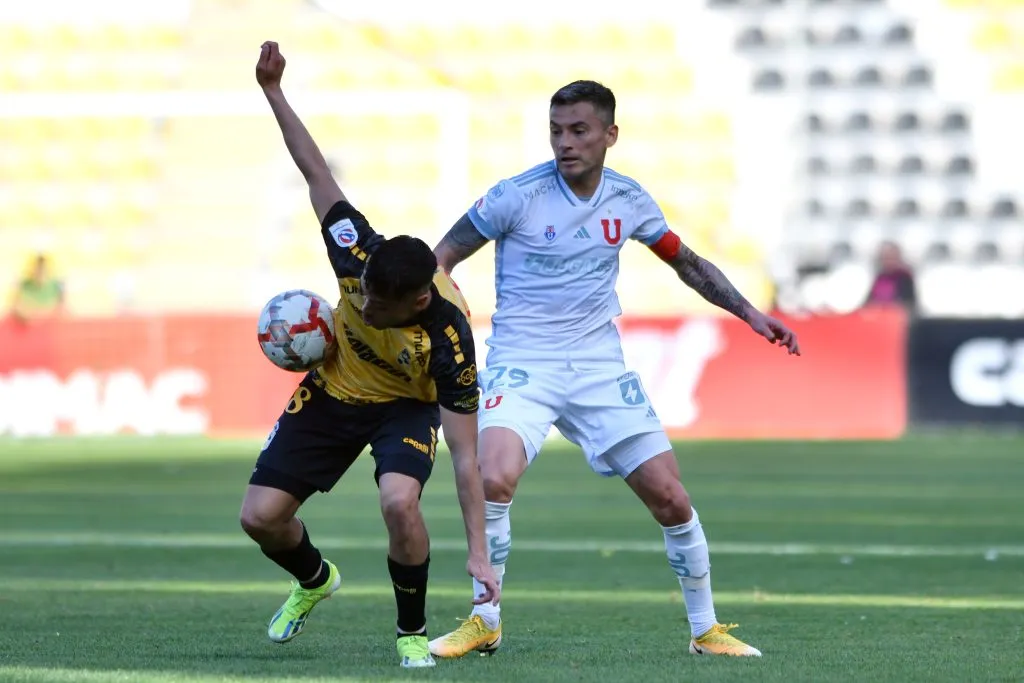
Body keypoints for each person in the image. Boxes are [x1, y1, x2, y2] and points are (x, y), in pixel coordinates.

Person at [427, 80, 800, 659]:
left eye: (579, 131)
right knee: (493, 476)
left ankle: (706, 630)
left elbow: (688, 263)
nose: (565, 143)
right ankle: (485, 617)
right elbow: (439, 259)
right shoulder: (515, 196)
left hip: (599, 366)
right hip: (524, 361)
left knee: (671, 498)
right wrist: (441, 314)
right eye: (556, 131)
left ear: (610, 135)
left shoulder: (628, 200)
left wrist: (751, 313)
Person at [241, 41, 499, 669]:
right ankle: (313, 579)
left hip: (405, 410)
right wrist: (274, 91)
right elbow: (316, 174)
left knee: (398, 502)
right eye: (360, 299)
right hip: (334, 389)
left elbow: (467, 456)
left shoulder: (450, 339)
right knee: (260, 518)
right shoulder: (357, 255)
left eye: (378, 308)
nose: (361, 308)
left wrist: (479, 551)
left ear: (416, 302)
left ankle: (411, 633)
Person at [864, 240, 917, 313]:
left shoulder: (905, 278)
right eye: (885, 257)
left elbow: (909, 304)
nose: (888, 260)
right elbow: (868, 302)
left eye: (891, 257)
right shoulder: (878, 278)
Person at [10, 254, 64, 323]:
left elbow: (60, 309)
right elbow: (16, 307)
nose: (40, 272)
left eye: (43, 270)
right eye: (37, 269)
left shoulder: (56, 285)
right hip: (27, 326)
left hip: (49, 325)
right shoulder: (24, 285)